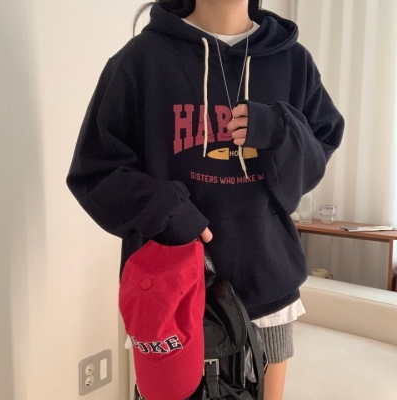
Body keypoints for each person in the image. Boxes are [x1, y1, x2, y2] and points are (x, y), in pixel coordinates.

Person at [67, 0, 344, 398]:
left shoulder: (293, 62)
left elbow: (315, 160)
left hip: (268, 286)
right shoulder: (141, 60)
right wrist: (167, 212)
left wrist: (280, 129)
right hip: (169, 289)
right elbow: (94, 172)